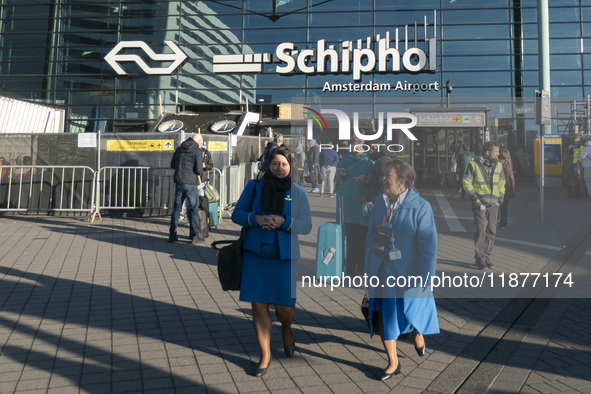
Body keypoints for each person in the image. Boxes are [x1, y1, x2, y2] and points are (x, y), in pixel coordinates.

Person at [231, 146, 312, 377]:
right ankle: (265, 355)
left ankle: (286, 328)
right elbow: (237, 214)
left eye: (284, 164)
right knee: (258, 305)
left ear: (291, 167)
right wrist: (255, 219)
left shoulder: (299, 193)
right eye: (275, 163)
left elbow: (306, 225)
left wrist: (283, 222)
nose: (279, 168)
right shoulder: (254, 187)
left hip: (284, 258)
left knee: (286, 309)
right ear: (268, 164)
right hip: (255, 256)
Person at [364, 159, 439, 381]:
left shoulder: (421, 207)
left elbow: (428, 245)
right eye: (384, 174)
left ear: (402, 180)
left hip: (410, 271)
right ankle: (393, 362)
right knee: (385, 315)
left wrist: (427, 275)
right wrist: (369, 267)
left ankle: (417, 332)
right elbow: (371, 236)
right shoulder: (379, 202)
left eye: (389, 175)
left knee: (410, 311)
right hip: (384, 269)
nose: (384, 178)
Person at [462, 141, 506, 270]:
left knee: (491, 229)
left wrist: (500, 200)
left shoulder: (498, 166)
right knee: (482, 228)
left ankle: (487, 255)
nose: (498, 154)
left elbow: (502, 183)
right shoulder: (473, 165)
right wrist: (474, 198)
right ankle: (480, 256)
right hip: (480, 202)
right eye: (496, 152)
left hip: (494, 203)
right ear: (487, 153)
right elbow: (466, 182)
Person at [336, 137, 374, 276]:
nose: (354, 149)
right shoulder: (347, 157)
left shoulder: (370, 161)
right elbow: (339, 174)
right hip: (347, 200)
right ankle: (349, 266)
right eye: (353, 146)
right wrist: (342, 174)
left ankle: (362, 265)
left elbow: (374, 179)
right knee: (349, 234)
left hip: (361, 201)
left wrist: (366, 179)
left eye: (357, 146)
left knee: (362, 233)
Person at [169, 133, 204, 245]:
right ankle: (194, 236)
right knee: (193, 209)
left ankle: (173, 234)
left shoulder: (179, 149)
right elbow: (198, 170)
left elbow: (173, 165)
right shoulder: (197, 151)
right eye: (201, 143)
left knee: (177, 209)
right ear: (198, 141)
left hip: (179, 182)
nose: (201, 145)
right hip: (191, 183)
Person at [499, 147, 515, 229]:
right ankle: (503, 224)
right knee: (504, 206)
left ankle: (494, 221)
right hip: (506, 186)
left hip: (496, 186)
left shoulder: (496, 162)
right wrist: (512, 189)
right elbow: (511, 177)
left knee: (495, 205)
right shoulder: (507, 163)